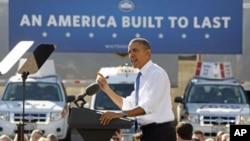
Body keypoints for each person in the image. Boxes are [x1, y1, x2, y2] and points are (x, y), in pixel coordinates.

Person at [96, 37, 176, 141]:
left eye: (135, 50)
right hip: (148, 132)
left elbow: (148, 107)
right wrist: (107, 89)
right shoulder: (141, 76)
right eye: (129, 52)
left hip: (160, 133)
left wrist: (119, 115)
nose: (131, 55)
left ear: (148, 53)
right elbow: (128, 105)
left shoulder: (156, 73)